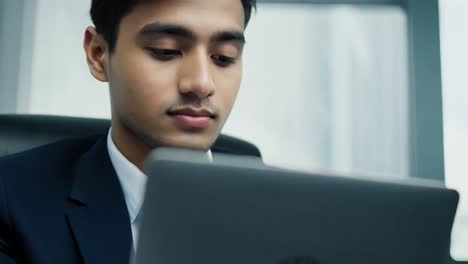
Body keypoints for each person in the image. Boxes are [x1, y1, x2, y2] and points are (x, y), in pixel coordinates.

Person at [0, 0, 256, 263]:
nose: (202, 83)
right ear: (98, 53)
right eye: (165, 51)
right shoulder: (10, 199)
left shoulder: (273, 205)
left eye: (224, 57)